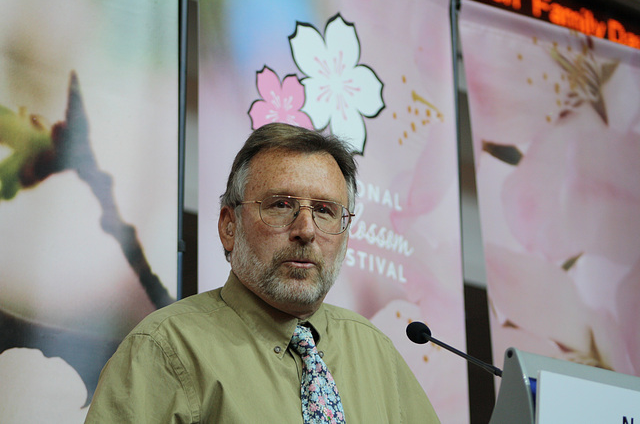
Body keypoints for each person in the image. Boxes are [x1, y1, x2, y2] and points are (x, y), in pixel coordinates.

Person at [85, 123, 440, 423]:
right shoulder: (165, 350)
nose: (306, 229)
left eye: (325, 210)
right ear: (228, 225)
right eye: (281, 205)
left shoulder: (375, 352)